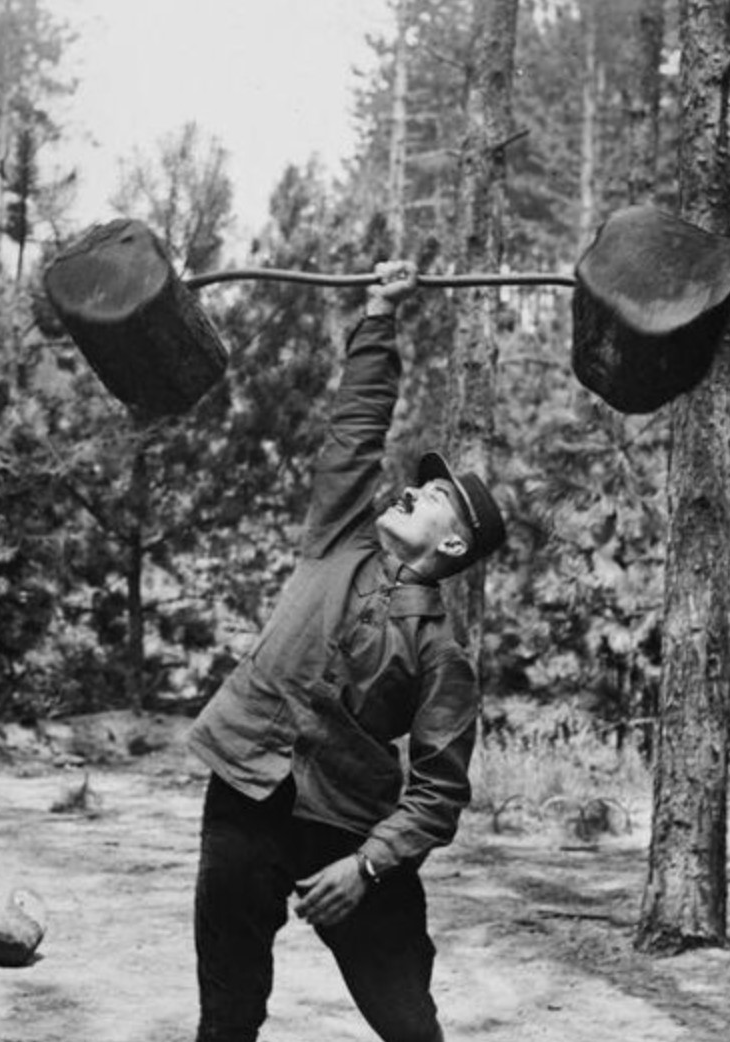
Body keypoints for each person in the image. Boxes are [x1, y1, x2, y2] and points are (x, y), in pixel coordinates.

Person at [185, 260, 507, 1042]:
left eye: (432, 496)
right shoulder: (339, 535)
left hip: (348, 827)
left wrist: (365, 868)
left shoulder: (441, 651)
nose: (409, 490)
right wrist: (380, 317)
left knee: (406, 1022)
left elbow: (438, 791)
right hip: (245, 792)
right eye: (416, 484)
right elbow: (356, 426)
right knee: (227, 1014)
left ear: (455, 542)